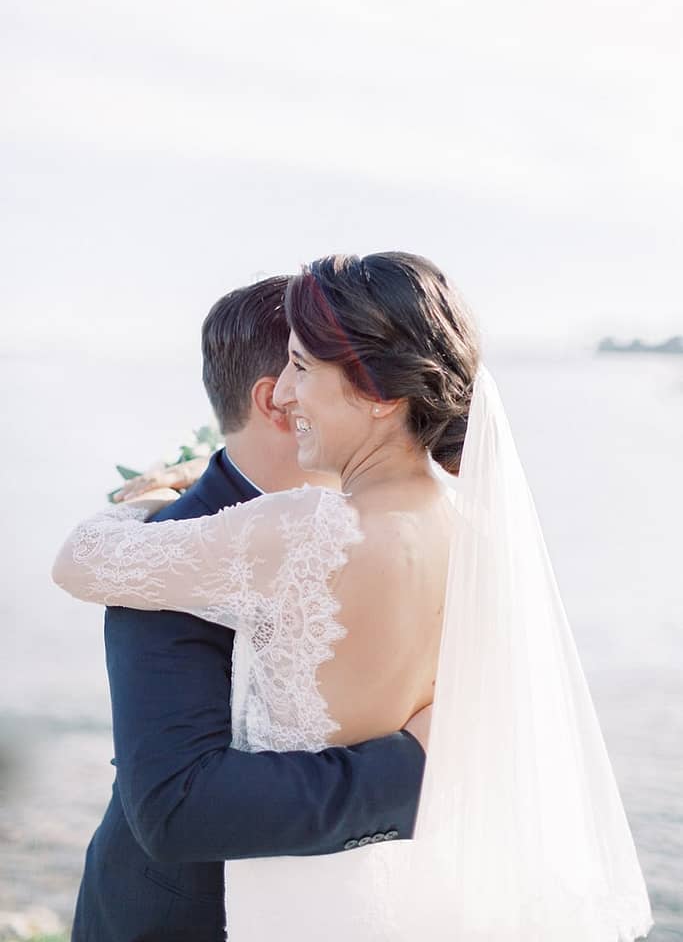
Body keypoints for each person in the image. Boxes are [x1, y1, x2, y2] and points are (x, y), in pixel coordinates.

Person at [54, 253, 652, 940]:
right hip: (387, 901)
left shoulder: (300, 529)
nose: (286, 393)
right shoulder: (478, 530)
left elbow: (82, 562)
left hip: (286, 903)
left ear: (377, 393)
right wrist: (435, 757)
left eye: (304, 368)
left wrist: (138, 505)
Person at [67, 275, 427, 942]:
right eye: (297, 364)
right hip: (192, 920)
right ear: (275, 400)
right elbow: (177, 806)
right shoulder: (176, 551)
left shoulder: (397, 522)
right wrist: (421, 769)